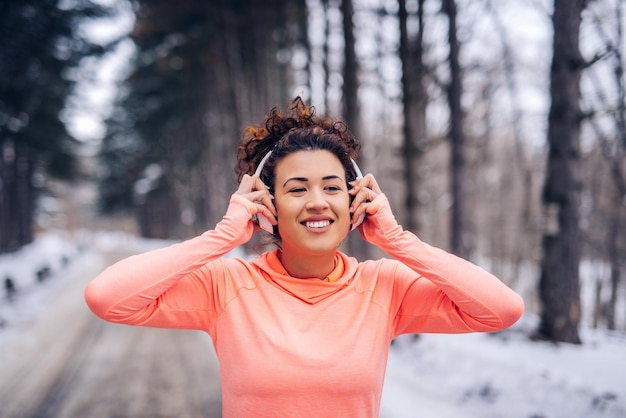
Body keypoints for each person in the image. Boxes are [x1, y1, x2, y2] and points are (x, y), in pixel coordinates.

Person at [85, 97, 524, 417]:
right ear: (267, 203)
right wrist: (222, 236)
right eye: (297, 189)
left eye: (333, 187)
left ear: (354, 199)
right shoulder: (227, 286)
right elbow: (107, 297)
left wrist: (397, 239)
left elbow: (502, 310)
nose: (318, 202)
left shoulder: (384, 287)